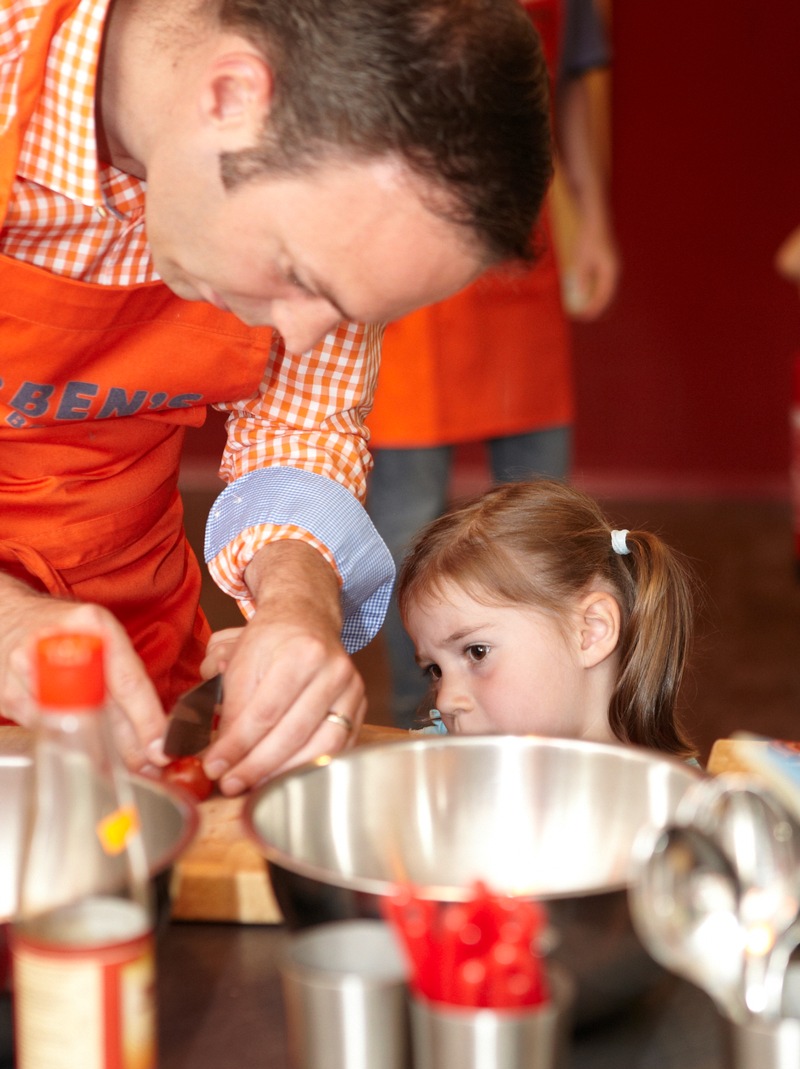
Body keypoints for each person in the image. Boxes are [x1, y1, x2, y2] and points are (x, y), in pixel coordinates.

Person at [0, 0, 553, 794]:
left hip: (135, 668)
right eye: (297, 274)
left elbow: (299, 430)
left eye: (347, 312)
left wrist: (299, 603)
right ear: (229, 97)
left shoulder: (339, 212)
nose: (299, 338)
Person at [366, 0, 619, 727]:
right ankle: (429, 717)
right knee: (405, 528)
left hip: (520, 248)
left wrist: (593, 212)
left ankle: (555, 717)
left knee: (542, 515)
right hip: (412, 244)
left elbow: (569, 77)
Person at [396, 479, 697, 759]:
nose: (445, 701)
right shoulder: (436, 758)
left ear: (590, 631)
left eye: (477, 652)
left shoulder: (672, 802)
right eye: (435, 670)